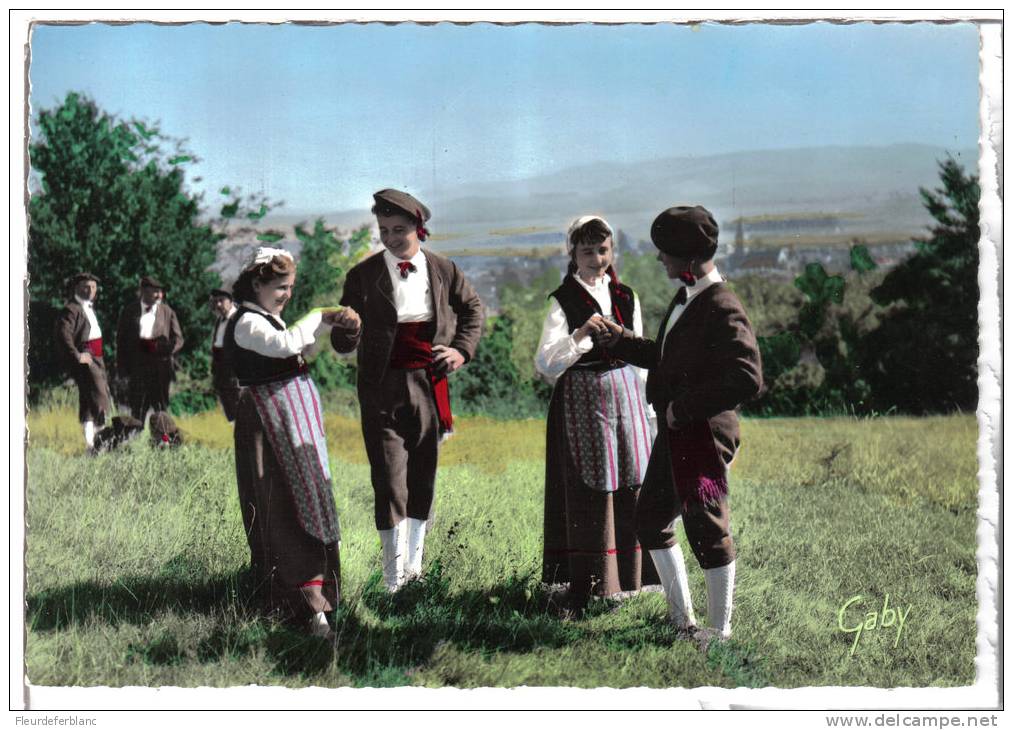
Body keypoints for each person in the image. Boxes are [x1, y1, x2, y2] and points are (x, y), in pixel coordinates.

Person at [599, 205, 763, 643]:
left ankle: (719, 631)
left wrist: (685, 408)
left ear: (688, 259)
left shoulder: (722, 304)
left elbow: (747, 376)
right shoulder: (688, 296)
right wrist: (621, 341)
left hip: (703, 435)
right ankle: (681, 621)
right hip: (680, 430)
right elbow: (670, 358)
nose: (659, 259)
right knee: (651, 517)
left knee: (707, 528)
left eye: (665, 252)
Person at [330, 189, 483, 593]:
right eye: (384, 230)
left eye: (400, 230)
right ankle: (392, 578)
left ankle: (414, 571)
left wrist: (461, 351)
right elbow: (343, 343)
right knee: (389, 480)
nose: (392, 238)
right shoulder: (362, 276)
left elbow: (473, 310)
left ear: (419, 228)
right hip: (380, 387)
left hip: (429, 384)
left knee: (423, 478)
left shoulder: (444, 269)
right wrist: (350, 330)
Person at [535, 216, 658, 614]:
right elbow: (546, 363)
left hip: (626, 395)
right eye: (587, 250)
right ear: (572, 253)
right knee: (592, 484)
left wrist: (648, 406)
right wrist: (579, 337)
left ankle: (634, 579)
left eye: (602, 250)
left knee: (631, 478)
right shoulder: (562, 300)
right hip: (582, 399)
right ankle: (591, 583)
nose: (596, 258)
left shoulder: (626, 296)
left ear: (612, 252)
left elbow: (640, 355)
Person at [223, 247, 346, 637]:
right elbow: (284, 347)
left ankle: (317, 603)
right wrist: (317, 316)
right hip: (268, 427)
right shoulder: (244, 322)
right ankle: (301, 607)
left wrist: (325, 327)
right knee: (281, 509)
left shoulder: (267, 318)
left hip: (291, 425)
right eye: (280, 287)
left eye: (291, 287)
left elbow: (297, 349)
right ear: (257, 283)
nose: (287, 295)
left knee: (307, 500)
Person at [54, 272, 113, 450]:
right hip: (86, 356)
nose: (91, 290)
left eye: (94, 287)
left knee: (88, 401)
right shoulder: (71, 309)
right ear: (77, 288)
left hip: (97, 356)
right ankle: (101, 443)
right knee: (100, 396)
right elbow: (64, 336)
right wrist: (78, 356)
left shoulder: (88, 307)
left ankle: (90, 445)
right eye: (86, 286)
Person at [115, 276, 184, 421]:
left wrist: (165, 351)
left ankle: (164, 442)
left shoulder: (167, 312)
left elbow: (178, 340)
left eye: (161, 292)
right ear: (143, 291)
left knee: (161, 410)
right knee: (137, 408)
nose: (160, 295)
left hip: (160, 368)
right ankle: (134, 441)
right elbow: (121, 342)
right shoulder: (129, 311)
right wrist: (122, 369)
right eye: (155, 292)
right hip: (137, 368)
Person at [208, 288, 242, 422]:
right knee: (230, 414)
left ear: (231, 301)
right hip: (221, 374)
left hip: (235, 375)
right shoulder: (219, 321)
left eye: (221, 301)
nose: (218, 305)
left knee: (241, 410)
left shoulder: (239, 319)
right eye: (216, 302)